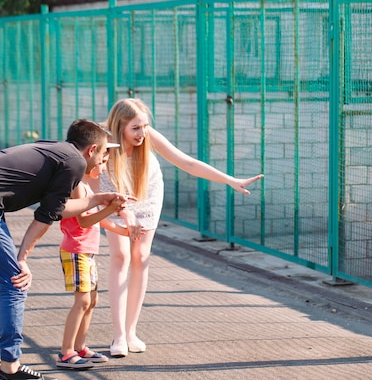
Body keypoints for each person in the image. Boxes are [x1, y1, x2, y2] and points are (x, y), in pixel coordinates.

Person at [0, 119, 133, 380]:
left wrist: (98, 199)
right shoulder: (76, 163)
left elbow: (57, 207)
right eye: (102, 154)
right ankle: (10, 367)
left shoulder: (57, 150)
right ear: (91, 151)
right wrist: (23, 258)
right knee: (15, 283)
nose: (103, 159)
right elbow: (46, 216)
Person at [94, 98, 264, 357]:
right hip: (113, 194)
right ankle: (118, 335)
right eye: (135, 128)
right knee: (120, 257)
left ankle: (131, 331)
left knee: (141, 257)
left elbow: (187, 163)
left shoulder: (148, 136)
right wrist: (113, 216)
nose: (142, 133)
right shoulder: (105, 140)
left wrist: (230, 180)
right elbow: (87, 180)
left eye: (145, 126)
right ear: (120, 127)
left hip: (146, 193)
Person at [57, 145, 135, 369]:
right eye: (101, 162)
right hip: (76, 249)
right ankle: (66, 352)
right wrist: (111, 208)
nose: (103, 167)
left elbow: (97, 219)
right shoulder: (78, 189)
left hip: (87, 251)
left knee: (91, 301)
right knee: (82, 301)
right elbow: (83, 221)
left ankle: (80, 347)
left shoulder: (88, 190)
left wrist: (123, 231)